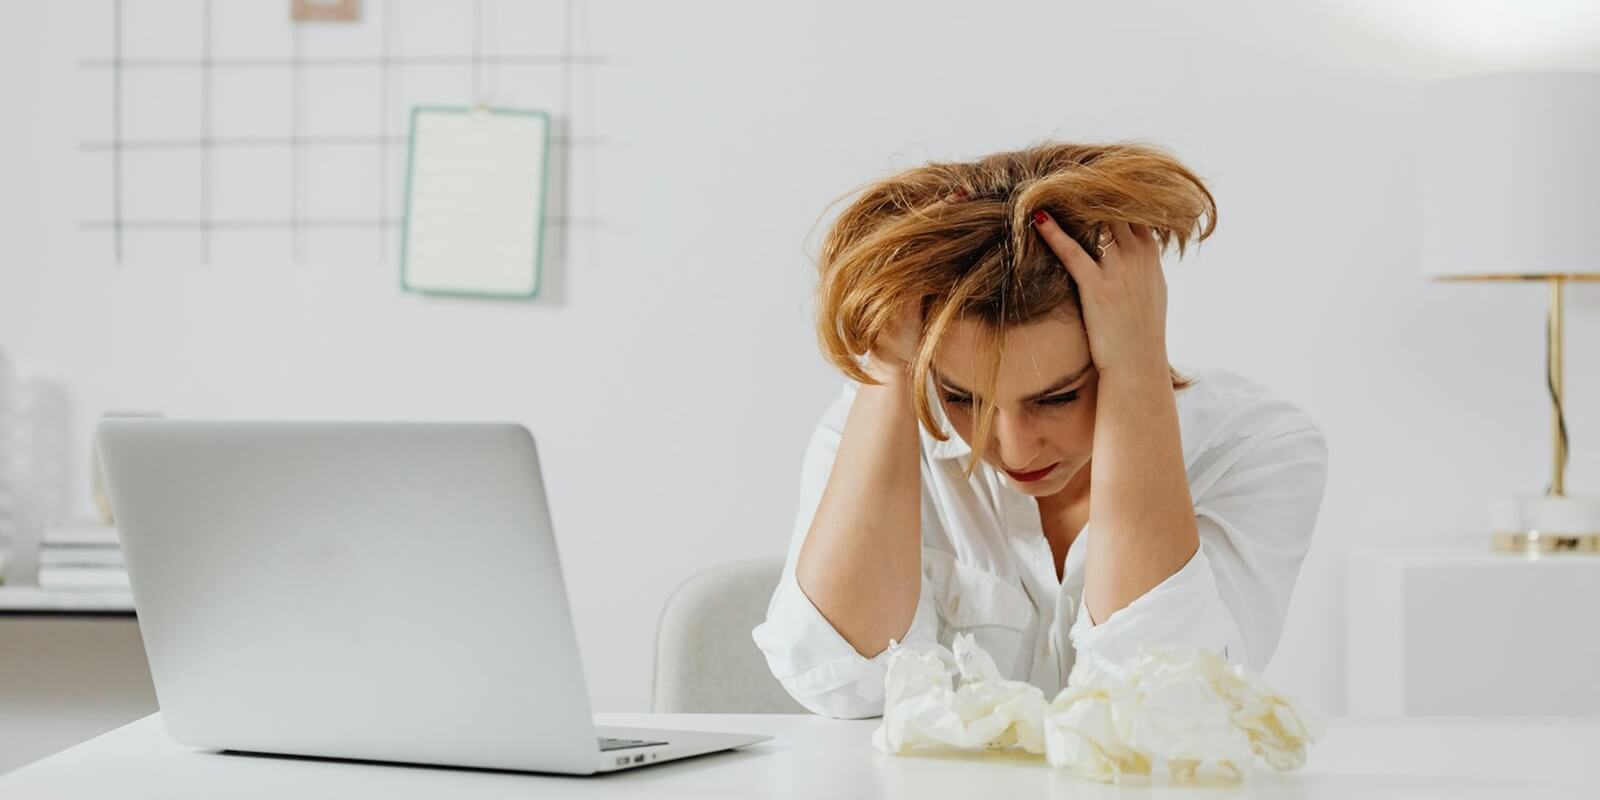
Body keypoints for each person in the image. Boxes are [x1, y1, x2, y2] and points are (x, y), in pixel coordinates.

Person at [751, 141, 1330, 719]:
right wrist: (888, 360)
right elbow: (838, 683)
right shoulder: (887, 425)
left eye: (1057, 398)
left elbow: (1163, 703)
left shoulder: (1256, 448)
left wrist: (1137, 367)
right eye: (963, 398)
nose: (1013, 448)